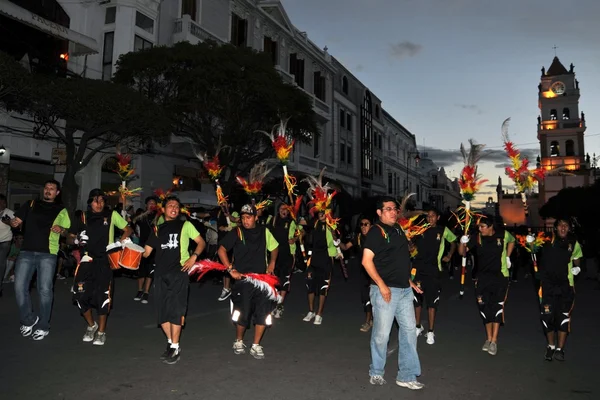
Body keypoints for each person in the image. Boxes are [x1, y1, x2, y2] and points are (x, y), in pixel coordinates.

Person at [362, 196, 424, 389]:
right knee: (382, 335)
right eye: (388, 209)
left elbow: (397, 259)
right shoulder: (376, 232)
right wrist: (381, 285)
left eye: (395, 209)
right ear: (379, 213)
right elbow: (366, 261)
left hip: (404, 290)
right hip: (385, 291)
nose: (393, 212)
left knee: (409, 332)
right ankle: (376, 371)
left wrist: (409, 281)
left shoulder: (397, 229)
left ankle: (406, 375)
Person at [143, 196, 205, 364]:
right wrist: (127, 248)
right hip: (160, 274)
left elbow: (201, 242)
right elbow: (146, 252)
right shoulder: (156, 229)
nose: (174, 208)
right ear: (163, 209)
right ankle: (171, 344)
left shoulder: (185, 225)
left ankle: (175, 346)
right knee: (162, 314)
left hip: (179, 273)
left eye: (177, 206)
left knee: (176, 312)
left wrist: (194, 257)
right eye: (170, 205)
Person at [70, 189, 132, 346]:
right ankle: (92, 326)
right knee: (80, 295)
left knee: (102, 297)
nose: (99, 204)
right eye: (96, 200)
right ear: (90, 202)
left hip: (105, 261)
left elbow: (128, 229)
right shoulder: (81, 216)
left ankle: (101, 332)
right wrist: (77, 240)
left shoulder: (111, 215)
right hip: (86, 260)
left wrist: (120, 242)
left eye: (102, 201)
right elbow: (69, 237)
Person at [10, 180, 71, 340]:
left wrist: (61, 230)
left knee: (44, 290)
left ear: (57, 193)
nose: (48, 190)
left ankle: (44, 325)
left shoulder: (61, 210)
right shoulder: (31, 204)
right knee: (18, 287)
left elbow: (67, 233)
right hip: (26, 251)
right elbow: (16, 222)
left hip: (48, 253)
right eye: (46, 188)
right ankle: (29, 319)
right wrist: (14, 222)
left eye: (52, 189)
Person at [218, 204, 279, 359]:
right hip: (243, 279)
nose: (246, 221)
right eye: (243, 218)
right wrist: (231, 269)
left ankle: (256, 345)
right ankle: (239, 341)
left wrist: (272, 262)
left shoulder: (265, 232)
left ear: (256, 217)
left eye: (249, 217)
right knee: (242, 313)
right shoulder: (236, 232)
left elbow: (275, 247)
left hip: (262, 280)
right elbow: (221, 250)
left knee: (263, 313)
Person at [458, 214, 515, 356]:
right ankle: (488, 339)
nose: (480, 229)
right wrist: (462, 242)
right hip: (482, 278)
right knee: (484, 309)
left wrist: (507, 256)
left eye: (483, 227)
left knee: (496, 309)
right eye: (479, 227)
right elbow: (462, 253)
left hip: (500, 278)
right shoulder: (477, 238)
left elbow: (512, 241)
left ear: (491, 227)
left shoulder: (502, 235)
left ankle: (494, 341)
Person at [536, 218, 582, 361]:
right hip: (547, 285)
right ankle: (551, 346)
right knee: (547, 317)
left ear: (569, 228)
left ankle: (560, 350)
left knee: (563, 318)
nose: (563, 228)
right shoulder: (546, 240)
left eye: (566, 226)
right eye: (561, 226)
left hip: (565, 285)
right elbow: (532, 247)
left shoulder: (573, 243)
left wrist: (577, 267)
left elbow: (577, 257)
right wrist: (530, 243)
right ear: (555, 228)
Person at [412, 209, 457, 344]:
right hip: (418, 270)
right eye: (428, 216)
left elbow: (454, 241)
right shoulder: (419, 230)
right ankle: (418, 327)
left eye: (432, 216)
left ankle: (431, 331)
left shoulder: (443, 230)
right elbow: (412, 247)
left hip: (434, 271)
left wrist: (449, 255)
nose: (430, 218)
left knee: (432, 303)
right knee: (417, 301)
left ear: (437, 217)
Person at [302, 210, 338, 325]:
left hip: (326, 259)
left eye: (323, 212)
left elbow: (336, 239)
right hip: (313, 259)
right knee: (310, 285)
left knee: (323, 287)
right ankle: (311, 311)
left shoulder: (332, 224)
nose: (320, 214)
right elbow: (302, 224)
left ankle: (319, 314)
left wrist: (332, 230)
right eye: (319, 212)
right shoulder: (315, 223)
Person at [340, 215, 373, 332]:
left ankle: (373, 320)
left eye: (366, 224)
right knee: (366, 297)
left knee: (377, 299)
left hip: (376, 273)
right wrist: (337, 241)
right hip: (364, 273)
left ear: (371, 226)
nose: (363, 227)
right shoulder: (358, 238)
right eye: (362, 224)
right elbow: (345, 247)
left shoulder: (376, 238)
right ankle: (368, 321)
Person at [270, 203, 303, 319]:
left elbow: (302, 232)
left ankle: (279, 306)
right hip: (275, 255)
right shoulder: (273, 221)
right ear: (278, 210)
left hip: (288, 255)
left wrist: (294, 238)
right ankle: (276, 304)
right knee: (275, 281)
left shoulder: (292, 222)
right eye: (281, 209)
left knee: (285, 280)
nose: (283, 211)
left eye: (286, 209)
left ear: (289, 211)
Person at [133, 196, 159, 303]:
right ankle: (140, 290)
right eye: (150, 203)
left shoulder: (158, 217)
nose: (152, 205)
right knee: (141, 271)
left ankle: (146, 292)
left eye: (154, 203)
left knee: (150, 271)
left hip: (153, 247)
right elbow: (132, 223)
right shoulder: (141, 217)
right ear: (146, 205)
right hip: (141, 246)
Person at [217, 209, 239, 301]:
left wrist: (229, 216)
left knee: (231, 264)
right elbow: (219, 227)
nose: (222, 205)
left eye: (224, 203)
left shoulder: (234, 212)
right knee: (224, 266)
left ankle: (228, 288)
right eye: (221, 204)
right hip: (223, 243)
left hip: (232, 244)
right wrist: (225, 228)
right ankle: (226, 288)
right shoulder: (219, 213)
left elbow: (238, 221)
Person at [0, 194, 15, 297]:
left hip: (5, 241)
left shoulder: (9, 212)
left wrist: (8, 222)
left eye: (4, 202)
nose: (3, 204)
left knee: (1, 263)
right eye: (1, 202)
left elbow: (18, 225)